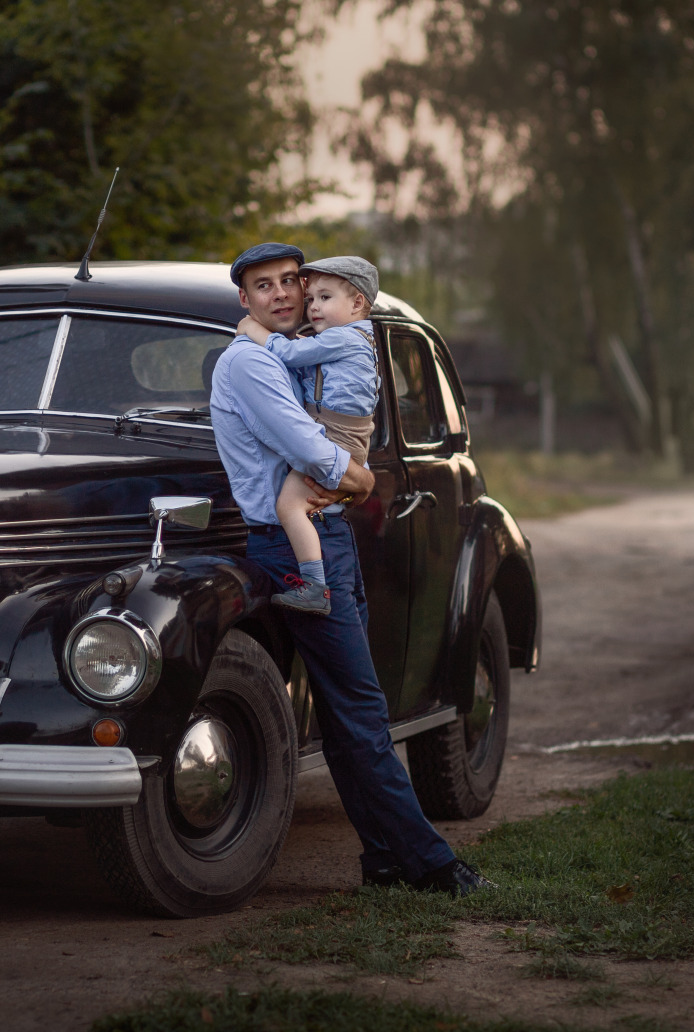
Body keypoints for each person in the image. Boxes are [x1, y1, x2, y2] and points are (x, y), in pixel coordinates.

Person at [209, 241, 491, 895]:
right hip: (292, 547)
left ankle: (384, 857)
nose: (282, 295)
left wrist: (349, 480)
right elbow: (309, 449)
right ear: (243, 299)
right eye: (263, 286)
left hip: (325, 538)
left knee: (346, 712)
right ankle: (431, 863)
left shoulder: (302, 347)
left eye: (290, 283)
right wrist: (359, 477)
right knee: (361, 710)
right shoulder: (250, 364)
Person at [237, 256, 382, 615]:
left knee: (288, 505)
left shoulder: (346, 337)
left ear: (357, 303)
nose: (314, 307)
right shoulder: (345, 337)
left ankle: (315, 586)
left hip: (338, 435)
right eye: (312, 299)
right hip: (339, 432)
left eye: (325, 298)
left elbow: (287, 353)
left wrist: (251, 329)